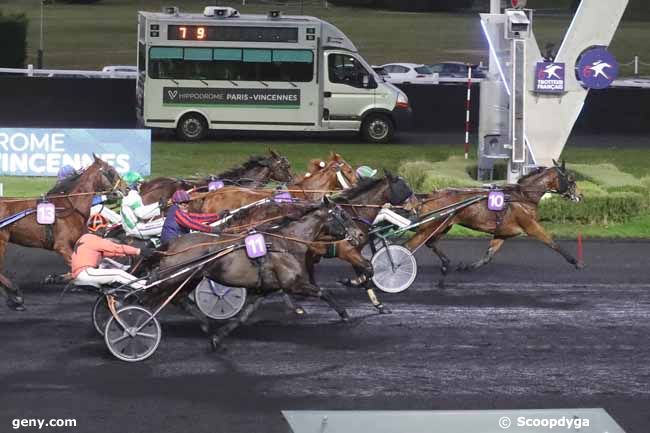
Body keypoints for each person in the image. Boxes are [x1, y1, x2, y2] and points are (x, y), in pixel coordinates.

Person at [71, 217, 154, 289]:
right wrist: (138, 251)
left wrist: (126, 253)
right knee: (118, 274)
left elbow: (105, 253)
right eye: (104, 228)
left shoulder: (85, 238)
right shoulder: (94, 239)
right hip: (86, 273)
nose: (105, 231)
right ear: (100, 229)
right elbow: (116, 248)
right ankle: (145, 285)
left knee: (116, 269)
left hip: (81, 273)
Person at [120, 171, 164, 239]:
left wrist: (159, 205)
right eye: (139, 183)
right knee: (167, 224)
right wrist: (159, 205)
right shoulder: (133, 197)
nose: (141, 185)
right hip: (136, 229)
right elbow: (142, 214)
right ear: (133, 184)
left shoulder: (132, 195)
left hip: (137, 226)